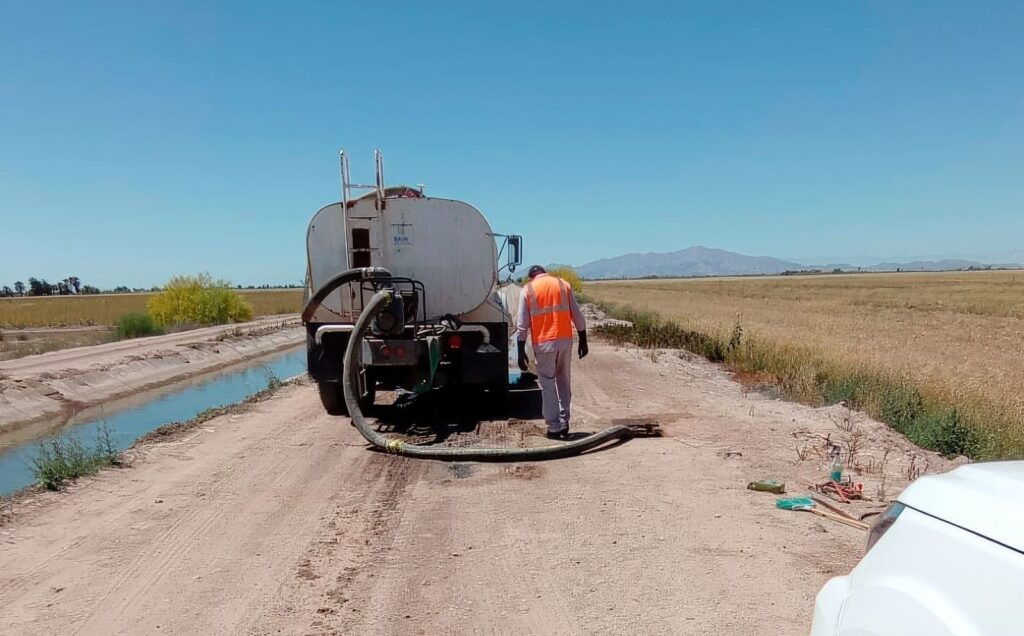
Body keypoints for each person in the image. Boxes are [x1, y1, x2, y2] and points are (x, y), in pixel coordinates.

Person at [516, 265, 589, 440]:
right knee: (564, 381)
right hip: (564, 342)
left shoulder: (528, 289)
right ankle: (564, 423)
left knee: (548, 385)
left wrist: (520, 352)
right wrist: (583, 340)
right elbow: (577, 315)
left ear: (531, 277)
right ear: (544, 273)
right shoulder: (563, 284)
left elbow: (522, 324)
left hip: (544, 345)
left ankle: (554, 427)